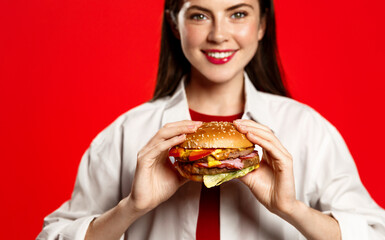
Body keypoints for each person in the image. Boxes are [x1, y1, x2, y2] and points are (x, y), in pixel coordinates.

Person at [37, 0, 385, 239]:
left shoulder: (307, 130)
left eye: (238, 14)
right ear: (174, 23)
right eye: (200, 15)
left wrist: (292, 209)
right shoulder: (128, 133)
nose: (219, 34)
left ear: (262, 24)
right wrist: (130, 208)